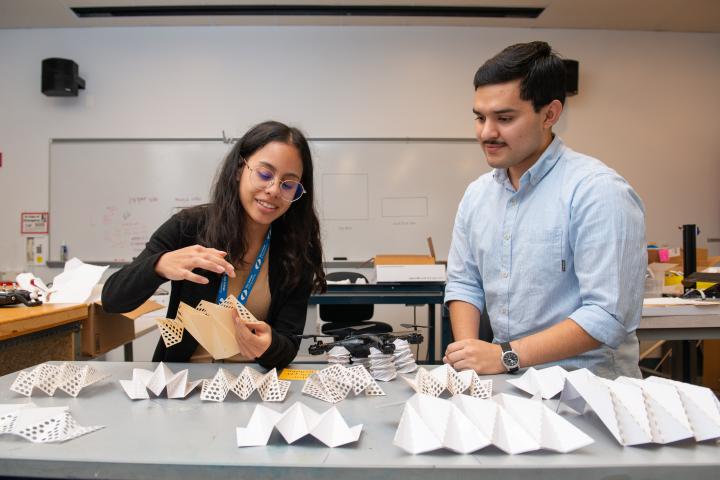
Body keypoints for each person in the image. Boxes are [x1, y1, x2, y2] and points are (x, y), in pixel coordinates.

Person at [443, 41, 646, 379]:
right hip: (508, 386)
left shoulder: (598, 191)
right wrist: (470, 360)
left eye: (504, 118)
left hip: (587, 395)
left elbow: (606, 316)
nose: (487, 133)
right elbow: (465, 284)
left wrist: (504, 356)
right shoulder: (477, 196)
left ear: (549, 114)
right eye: (480, 118)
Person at [102, 120, 326, 369]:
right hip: (183, 384)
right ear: (241, 169)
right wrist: (159, 265)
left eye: (288, 184)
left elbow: (289, 344)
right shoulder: (188, 227)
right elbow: (113, 299)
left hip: (250, 385)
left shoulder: (295, 252)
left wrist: (271, 345)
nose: (274, 190)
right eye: (264, 174)